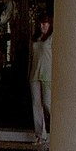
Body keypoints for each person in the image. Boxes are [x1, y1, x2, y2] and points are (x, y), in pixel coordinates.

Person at [29, 14, 53, 144]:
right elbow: (31, 57)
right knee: (36, 104)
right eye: (40, 24)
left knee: (47, 103)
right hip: (34, 74)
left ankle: (56, 128)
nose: (42, 26)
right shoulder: (35, 39)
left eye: (44, 23)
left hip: (47, 75)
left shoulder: (51, 38)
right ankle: (40, 134)